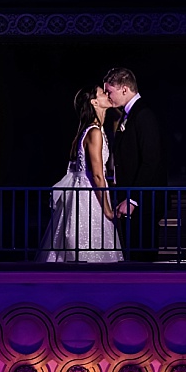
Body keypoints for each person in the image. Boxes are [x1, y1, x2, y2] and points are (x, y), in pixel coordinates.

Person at [35, 85, 122, 262]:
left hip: (84, 193)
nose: (106, 95)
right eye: (101, 93)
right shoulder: (95, 132)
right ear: (94, 102)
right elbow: (97, 175)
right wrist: (107, 210)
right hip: (90, 196)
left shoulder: (92, 130)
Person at [104, 67, 167, 261]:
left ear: (124, 89)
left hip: (143, 202)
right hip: (133, 201)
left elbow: (151, 161)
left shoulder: (143, 114)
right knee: (133, 255)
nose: (107, 96)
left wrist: (132, 199)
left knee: (143, 257)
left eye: (109, 91)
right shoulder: (128, 114)